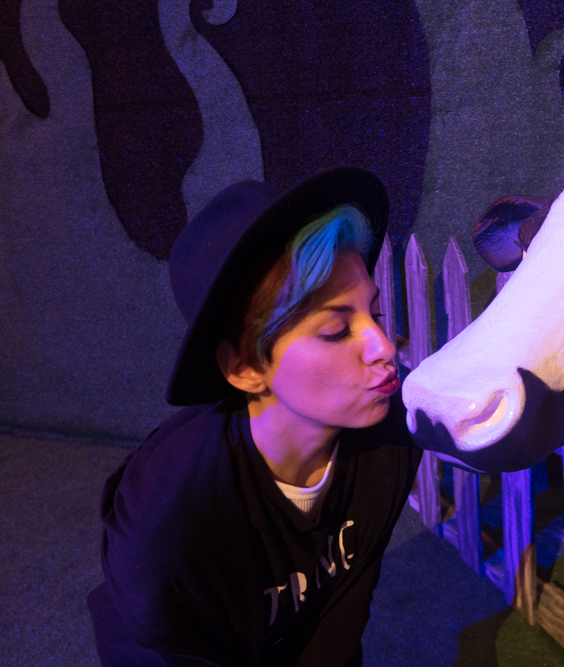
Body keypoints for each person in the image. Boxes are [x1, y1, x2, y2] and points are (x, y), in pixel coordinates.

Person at [87, 168, 421, 666]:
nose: (383, 347)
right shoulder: (170, 522)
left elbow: (346, 607)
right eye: (335, 330)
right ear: (245, 368)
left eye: (374, 313)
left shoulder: (392, 433)